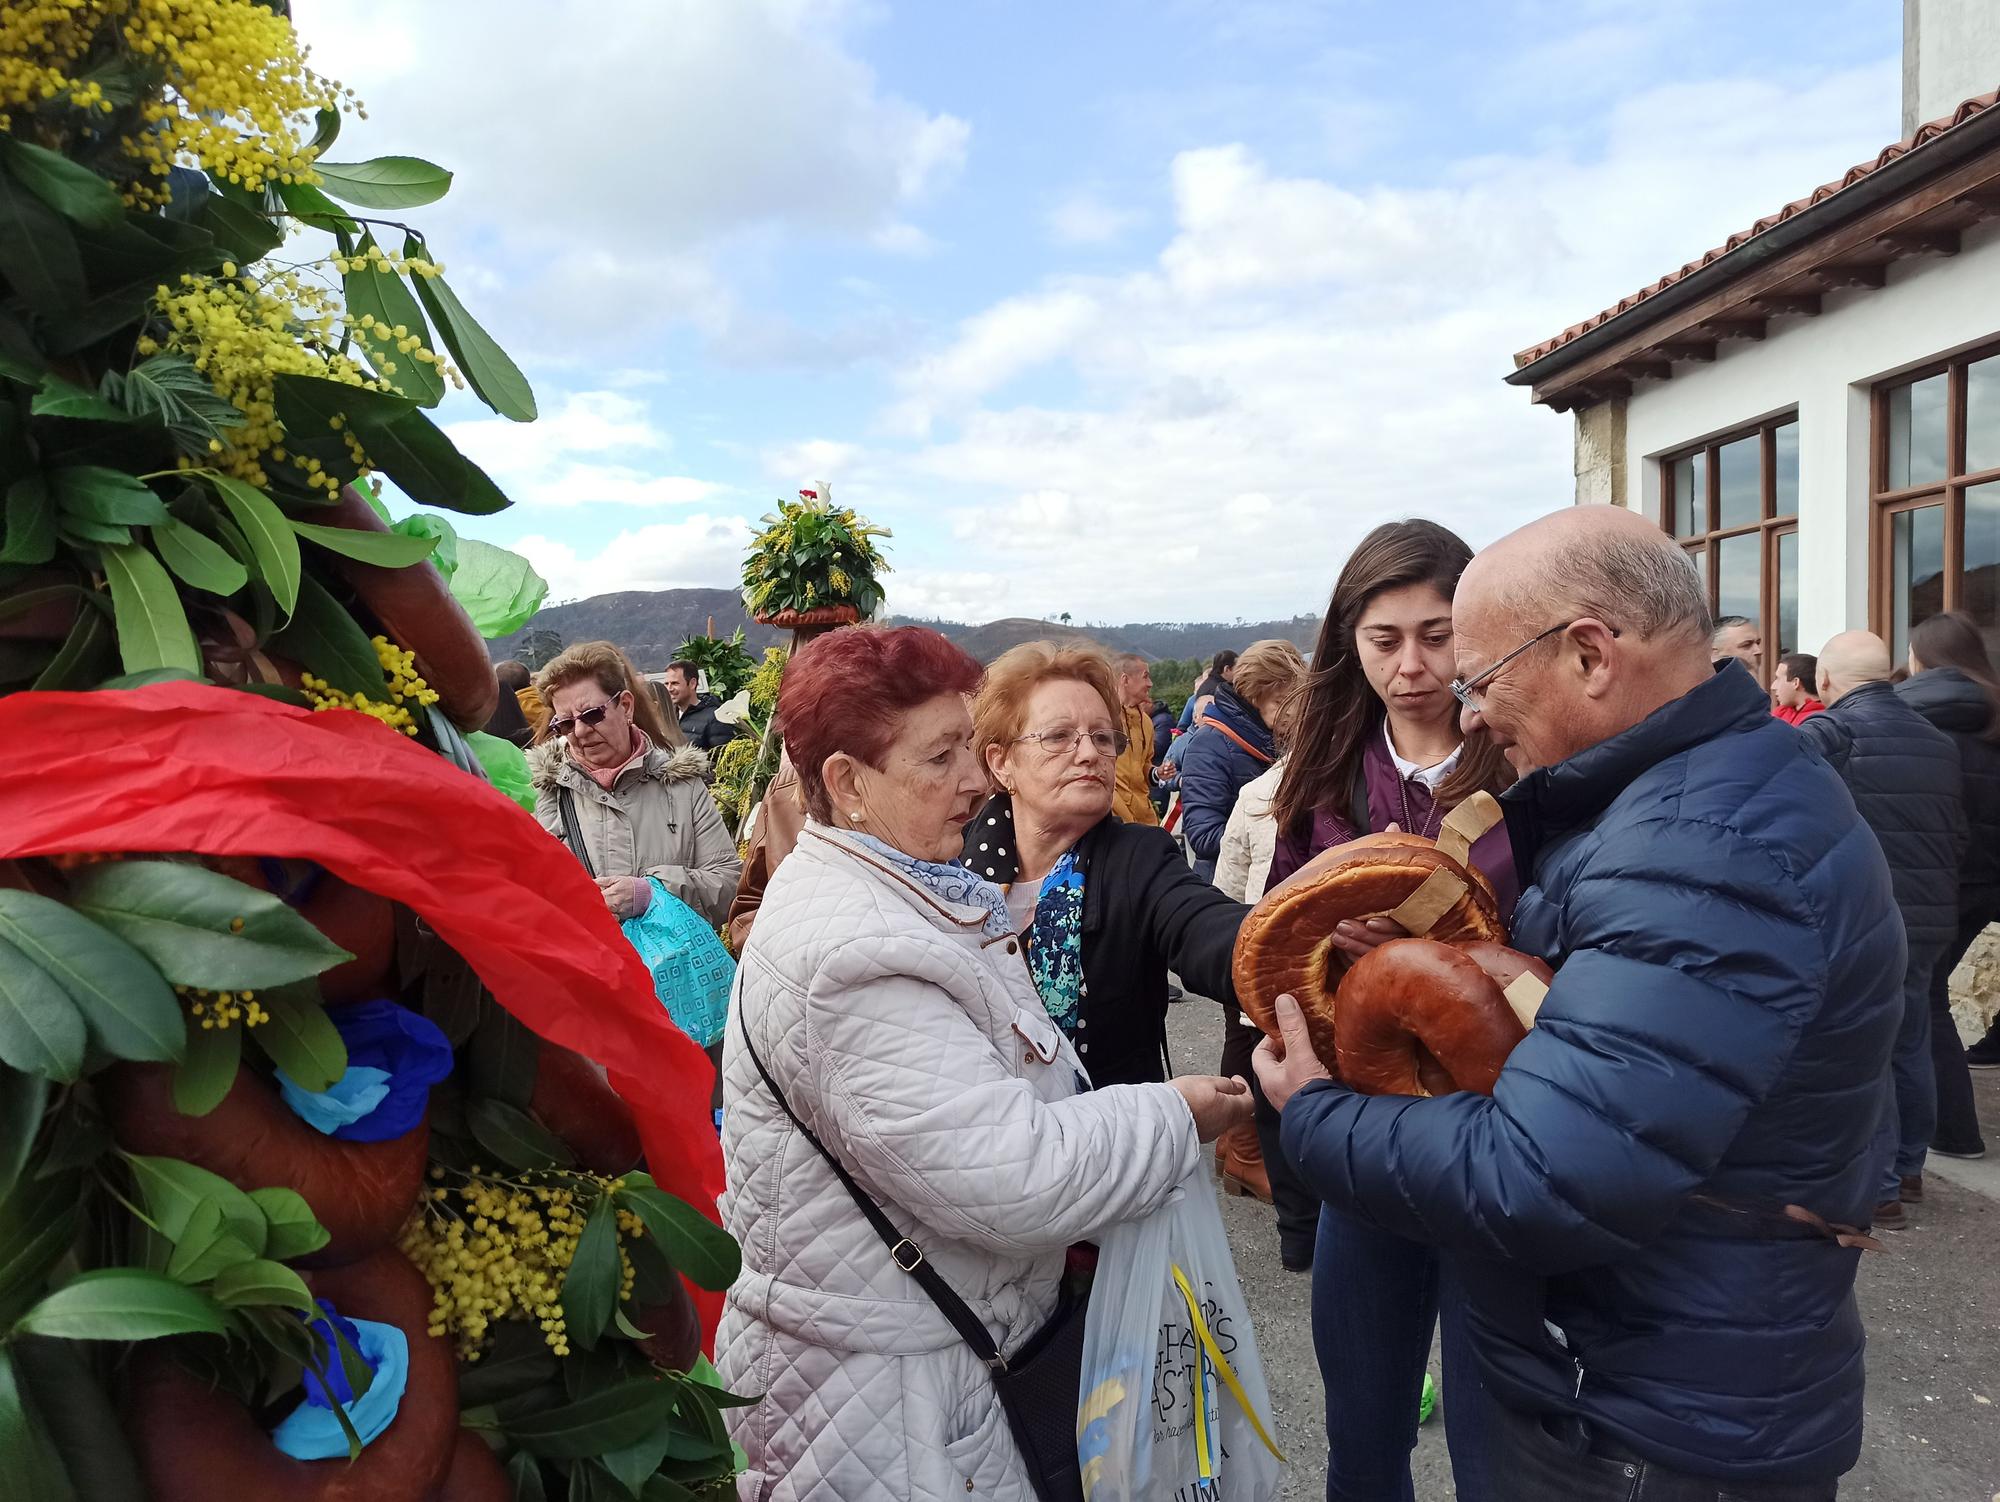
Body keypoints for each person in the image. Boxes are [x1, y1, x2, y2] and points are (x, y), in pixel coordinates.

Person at [1257, 505, 1902, 1502]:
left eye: (1476, 676)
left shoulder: (1698, 849)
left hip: (1650, 1408)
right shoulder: (1685, 801)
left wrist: (1313, 1109)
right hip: (1665, 1362)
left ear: (1590, 655)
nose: (1470, 713)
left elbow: (1544, 1174)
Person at [716, 625, 1252, 1500]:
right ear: (848, 784)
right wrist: (1179, 1112)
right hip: (891, 1405)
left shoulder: (915, 881)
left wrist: (1284, 954)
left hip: (926, 1363)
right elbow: (1015, 1176)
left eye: (969, 746)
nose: (972, 777)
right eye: (942, 757)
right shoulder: (856, 951)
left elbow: (1204, 928)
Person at [1262, 519, 1518, 1496]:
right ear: (1349, 642)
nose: (1411, 666)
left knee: (1500, 1438)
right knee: (1364, 1427)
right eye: (1384, 639)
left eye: (1436, 635)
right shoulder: (1324, 773)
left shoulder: (1523, 763)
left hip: (1501, 1127)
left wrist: (1438, 953)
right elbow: (1278, 937)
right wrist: (1331, 952)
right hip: (1366, 1128)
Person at [963, 642, 1247, 1088]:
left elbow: (1211, 931)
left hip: (1114, 1125)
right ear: (1001, 763)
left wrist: (1299, 931)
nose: (1089, 754)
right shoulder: (952, 870)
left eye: (1102, 737)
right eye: (1059, 737)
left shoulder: (1141, 858)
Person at [1801, 632, 1964, 1226]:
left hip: (1867, 914)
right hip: (1931, 912)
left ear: (1824, 680)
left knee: (1870, 1046)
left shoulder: (1829, 733)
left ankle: (1883, 1185)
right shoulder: (1937, 740)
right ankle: (1910, 1166)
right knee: (1911, 1037)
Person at [529, 642, 741, 928]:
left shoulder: (682, 784)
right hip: (591, 955)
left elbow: (729, 883)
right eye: (566, 724)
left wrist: (651, 894)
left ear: (626, 706)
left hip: (671, 956)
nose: (579, 731)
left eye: (591, 715)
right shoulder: (549, 792)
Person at [1208, 642, 1309, 1205]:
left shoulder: (1266, 787)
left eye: (1280, 700)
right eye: (1266, 704)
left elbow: (1228, 882)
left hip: (1261, 931)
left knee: (1251, 1037)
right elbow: (1227, 878)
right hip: (1262, 937)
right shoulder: (1256, 789)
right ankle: (1245, 1148)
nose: (1278, 717)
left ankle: (1241, 1147)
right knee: (1254, 1039)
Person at [1899, 611, 1998, 1157]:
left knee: (1923, 999)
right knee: (1928, 995)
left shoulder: (1920, 718)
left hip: (1940, 881)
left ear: (1922, 658)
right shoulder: (1993, 712)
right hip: (1985, 883)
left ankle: (1955, 1131)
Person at [1179, 639, 1304, 884]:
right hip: (1227, 889)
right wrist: (1276, 834)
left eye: (1295, 701)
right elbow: (1202, 835)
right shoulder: (1208, 744)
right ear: (1253, 695)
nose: (1292, 712)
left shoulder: (1277, 739)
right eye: (1280, 702)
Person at [1111, 653, 1162, 826]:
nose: (1150, 684)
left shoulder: (1146, 722)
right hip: (1114, 819)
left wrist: (1156, 773)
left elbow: (1144, 764)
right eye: (1145, 677)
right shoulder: (1103, 718)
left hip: (1144, 817)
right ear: (1125, 680)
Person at [663, 659, 735, 753]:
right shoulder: (668, 715)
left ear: (692, 683)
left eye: (675, 683)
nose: (669, 689)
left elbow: (722, 757)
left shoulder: (716, 718)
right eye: (666, 684)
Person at [1177, 648, 1238, 732]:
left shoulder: (1208, 685)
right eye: (1237, 669)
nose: (1239, 673)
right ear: (1227, 669)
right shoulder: (1220, 690)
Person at [1769, 651, 1825, 724]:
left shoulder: (1820, 720)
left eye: (1778, 679)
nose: (1773, 687)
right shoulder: (1780, 712)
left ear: (1795, 683)